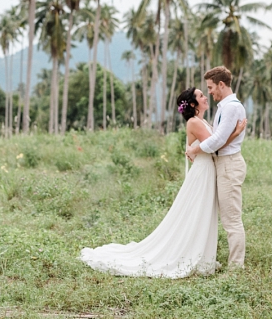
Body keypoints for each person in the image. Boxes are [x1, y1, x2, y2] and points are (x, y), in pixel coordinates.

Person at [79, 87, 245, 278]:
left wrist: (194, 149)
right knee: (197, 212)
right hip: (203, 172)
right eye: (200, 95)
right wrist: (236, 133)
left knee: (203, 212)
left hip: (207, 169)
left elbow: (212, 142)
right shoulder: (194, 122)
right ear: (193, 104)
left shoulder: (201, 121)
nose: (205, 97)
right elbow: (215, 145)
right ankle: (191, 254)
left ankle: (201, 254)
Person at [185, 66, 248, 269]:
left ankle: (236, 266)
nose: (209, 92)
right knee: (227, 218)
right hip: (223, 164)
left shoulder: (230, 107)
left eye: (211, 87)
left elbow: (218, 140)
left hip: (229, 165)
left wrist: (194, 150)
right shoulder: (224, 106)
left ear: (221, 84)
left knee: (231, 220)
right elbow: (219, 140)